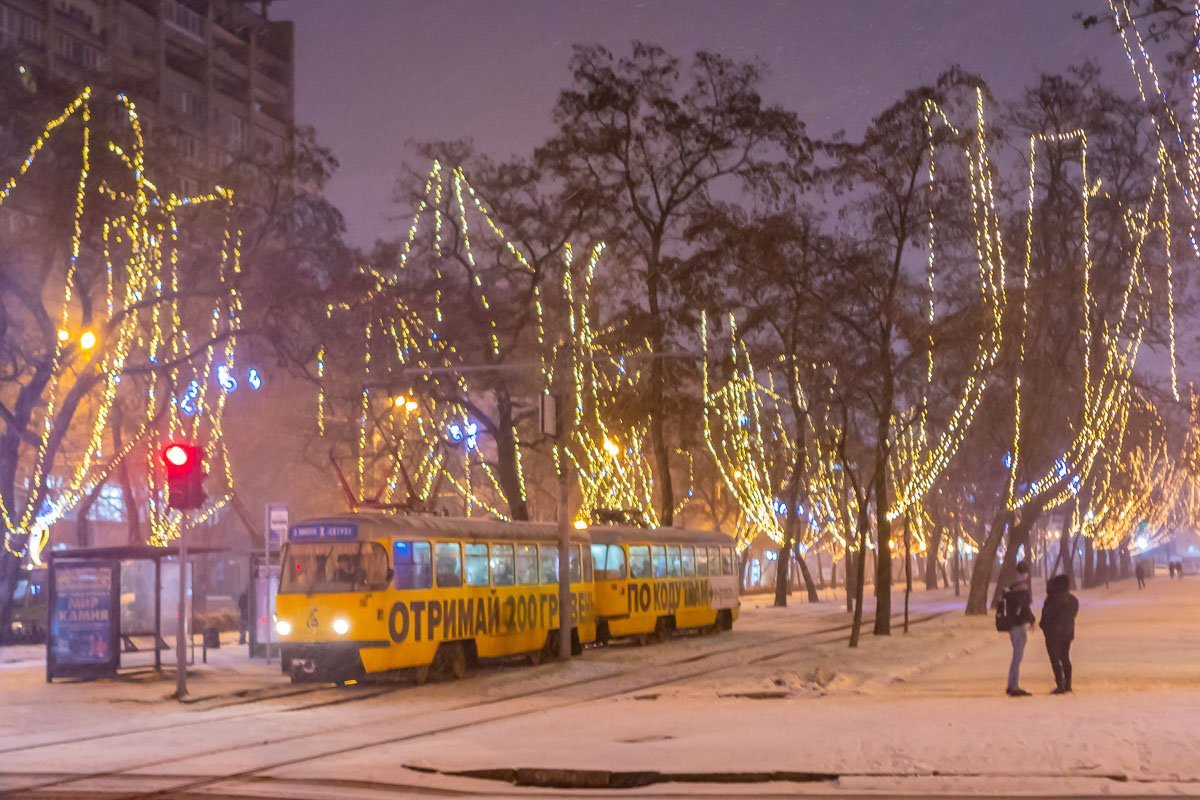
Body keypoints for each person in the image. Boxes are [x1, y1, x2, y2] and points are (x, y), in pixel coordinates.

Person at [1040, 574, 1079, 694]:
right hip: (1067, 632)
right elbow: (1073, 614)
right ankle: (1068, 684)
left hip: (1053, 634)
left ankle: (1060, 685)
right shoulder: (1072, 599)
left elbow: (1046, 616)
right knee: (1065, 657)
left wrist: (1043, 625)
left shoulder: (1051, 599)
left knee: (1055, 659)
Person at [1004, 561, 1036, 697]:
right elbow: (1024, 607)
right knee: (1017, 656)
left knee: (1016, 655)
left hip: (1012, 625)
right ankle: (1013, 686)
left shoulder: (1012, 587)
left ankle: (1012, 684)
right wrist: (1032, 619)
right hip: (1018, 624)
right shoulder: (1022, 588)